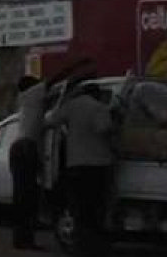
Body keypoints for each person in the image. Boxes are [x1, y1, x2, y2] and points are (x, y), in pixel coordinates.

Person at [11, 59, 93, 250]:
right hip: (26, 148)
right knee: (27, 197)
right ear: (32, 86)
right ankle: (25, 240)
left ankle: (21, 238)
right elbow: (58, 78)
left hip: (20, 149)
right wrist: (79, 67)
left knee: (23, 196)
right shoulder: (33, 93)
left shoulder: (27, 101)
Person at [47, 81, 116, 255]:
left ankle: (80, 246)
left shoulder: (71, 106)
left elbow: (51, 120)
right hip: (98, 166)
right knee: (96, 208)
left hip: (75, 166)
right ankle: (95, 246)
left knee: (79, 209)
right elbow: (104, 129)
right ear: (97, 94)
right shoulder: (99, 107)